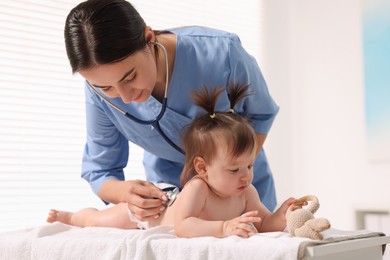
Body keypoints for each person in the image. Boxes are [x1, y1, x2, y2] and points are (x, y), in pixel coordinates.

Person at [64, 0, 280, 222]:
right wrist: (126, 193)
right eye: (106, 87)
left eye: (130, 77)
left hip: (239, 189)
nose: (126, 97)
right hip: (171, 200)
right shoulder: (97, 92)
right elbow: (100, 170)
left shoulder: (222, 54)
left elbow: (260, 114)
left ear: (149, 39)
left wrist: (228, 173)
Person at [47, 84, 297, 238]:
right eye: (234, 169)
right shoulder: (199, 188)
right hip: (150, 212)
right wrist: (223, 228)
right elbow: (183, 227)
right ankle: (71, 217)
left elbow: (263, 223)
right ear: (203, 168)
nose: (245, 175)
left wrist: (282, 216)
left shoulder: (246, 191)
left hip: (164, 207)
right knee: (100, 221)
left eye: (250, 165)